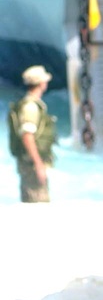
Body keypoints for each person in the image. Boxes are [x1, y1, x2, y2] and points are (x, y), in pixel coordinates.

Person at [8, 66, 56, 203]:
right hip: (31, 165)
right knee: (38, 203)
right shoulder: (31, 107)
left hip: (29, 163)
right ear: (41, 84)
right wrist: (39, 164)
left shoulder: (29, 104)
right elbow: (27, 136)